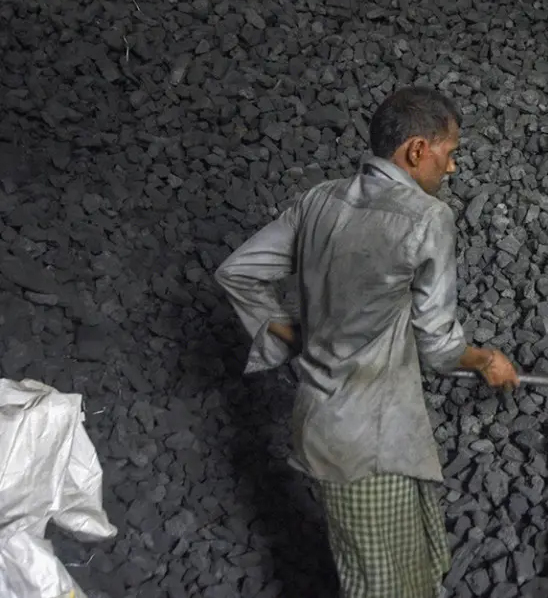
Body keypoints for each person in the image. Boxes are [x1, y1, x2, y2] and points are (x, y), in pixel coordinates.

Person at [214, 86, 520, 598]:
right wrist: (486, 360)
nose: (451, 167)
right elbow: (439, 347)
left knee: (398, 570)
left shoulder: (319, 199)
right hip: (370, 446)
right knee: (383, 587)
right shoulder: (427, 218)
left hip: (324, 427)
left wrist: (300, 335)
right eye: (449, 153)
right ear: (417, 150)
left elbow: (237, 271)